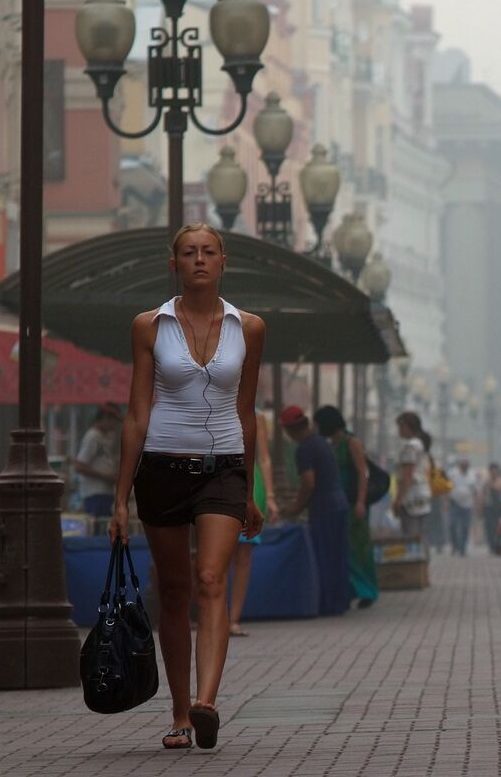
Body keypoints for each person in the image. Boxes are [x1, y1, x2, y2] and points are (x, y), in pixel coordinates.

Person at [108, 223, 266, 751]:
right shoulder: (150, 326)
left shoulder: (251, 328)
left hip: (223, 468)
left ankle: (207, 702)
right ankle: (179, 713)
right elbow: (136, 413)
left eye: (208, 252)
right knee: (174, 593)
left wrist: (249, 491)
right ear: (173, 263)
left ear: (224, 261)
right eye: (188, 253)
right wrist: (119, 497)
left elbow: (247, 412)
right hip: (161, 468)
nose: (199, 259)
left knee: (210, 578)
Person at [278, 406, 350, 617]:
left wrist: (295, 508)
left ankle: (327, 604)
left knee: (324, 555)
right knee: (338, 555)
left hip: (324, 508)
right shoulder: (321, 442)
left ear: (289, 430)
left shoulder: (305, 449)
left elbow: (309, 483)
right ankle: (340, 601)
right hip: (339, 504)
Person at [313, 405, 378, 609]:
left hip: (354, 502)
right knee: (344, 547)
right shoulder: (332, 444)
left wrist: (360, 502)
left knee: (359, 548)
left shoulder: (352, 442)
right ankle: (350, 589)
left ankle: (368, 590)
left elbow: (362, 473)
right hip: (338, 502)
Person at [227, 406, 279, 636]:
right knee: (216, 552)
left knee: (244, 553)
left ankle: (233, 619)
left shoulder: (256, 415)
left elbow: (265, 458)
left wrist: (269, 495)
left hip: (251, 480)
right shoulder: (211, 399)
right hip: (218, 477)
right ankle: (213, 615)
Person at [72, 405, 121, 518]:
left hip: (105, 492)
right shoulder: (92, 437)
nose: (115, 425)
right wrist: (105, 477)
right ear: (105, 418)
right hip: (95, 493)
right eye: (113, 420)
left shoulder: (104, 437)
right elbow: (79, 466)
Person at [394, 412, 433, 538]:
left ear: (407, 427)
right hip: (422, 494)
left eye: (400, 427)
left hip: (411, 495)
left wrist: (398, 500)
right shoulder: (421, 444)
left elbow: (408, 476)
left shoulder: (410, 446)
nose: (399, 430)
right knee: (419, 535)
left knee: (410, 536)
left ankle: (415, 558)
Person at [447, 456, 476, 556]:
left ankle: (463, 549)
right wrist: (445, 502)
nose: (464, 466)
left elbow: (474, 491)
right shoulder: (453, 474)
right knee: (452, 525)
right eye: (462, 465)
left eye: (466, 465)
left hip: (467, 505)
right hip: (454, 503)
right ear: (459, 465)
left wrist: (476, 504)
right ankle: (455, 545)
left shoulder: (472, 475)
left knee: (465, 527)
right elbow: (447, 488)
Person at [482, 463, 501, 554]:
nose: (493, 473)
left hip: (499, 508)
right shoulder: (486, 482)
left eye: (495, 471)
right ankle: (491, 547)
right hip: (489, 508)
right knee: (490, 528)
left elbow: (500, 490)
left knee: (499, 528)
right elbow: (483, 495)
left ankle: (500, 547)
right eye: (492, 471)